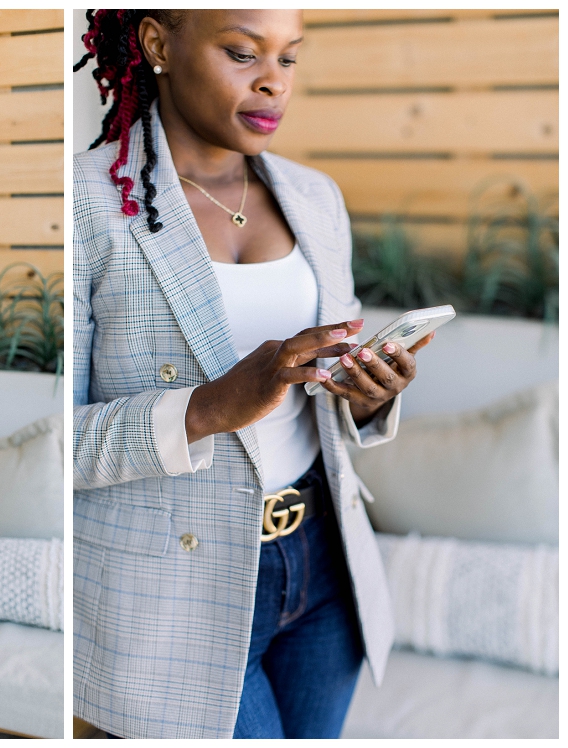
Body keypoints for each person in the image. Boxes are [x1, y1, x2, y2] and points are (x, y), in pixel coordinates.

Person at [72, 10, 434, 739]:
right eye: (242, 53)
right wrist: (206, 408)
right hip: (174, 591)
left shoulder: (315, 197)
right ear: (156, 45)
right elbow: (57, 443)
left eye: (289, 58)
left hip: (322, 564)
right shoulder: (83, 206)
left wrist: (367, 399)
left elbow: (332, 388)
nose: (273, 81)